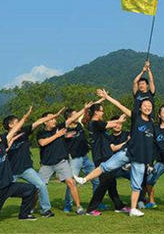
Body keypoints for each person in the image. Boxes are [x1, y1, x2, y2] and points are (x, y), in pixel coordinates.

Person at [74, 89, 155, 217]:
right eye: (145, 105)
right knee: (106, 173)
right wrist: (107, 98)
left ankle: (124, 207)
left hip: (136, 157)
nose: (147, 107)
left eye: (150, 106)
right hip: (120, 153)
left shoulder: (152, 123)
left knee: (123, 183)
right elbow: (119, 108)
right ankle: (85, 184)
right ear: (139, 108)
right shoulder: (97, 123)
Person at [3, 106, 65, 218]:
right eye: (17, 122)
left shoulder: (24, 132)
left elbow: (37, 122)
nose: (20, 124)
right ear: (10, 125)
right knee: (3, 192)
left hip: (26, 168)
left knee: (41, 185)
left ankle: (45, 210)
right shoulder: (4, 138)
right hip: (11, 171)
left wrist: (53, 116)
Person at [82, 104, 129, 216]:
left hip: (106, 156)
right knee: (104, 183)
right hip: (101, 157)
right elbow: (111, 124)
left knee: (111, 182)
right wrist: (120, 120)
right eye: (101, 111)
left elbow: (109, 124)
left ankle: (119, 206)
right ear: (96, 112)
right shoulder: (95, 123)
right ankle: (91, 209)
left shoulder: (97, 124)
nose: (103, 113)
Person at [37, 111, 84, 215]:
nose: (54, 120)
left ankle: (79, 207)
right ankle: (31, 207)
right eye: (51, 119)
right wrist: (57, 135)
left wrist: (84, 109)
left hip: (61, 162)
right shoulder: (41, 133)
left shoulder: (59, 127)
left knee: (71, 182)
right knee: (38, 186)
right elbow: (42, 143)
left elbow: (72, 118)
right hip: (46, 164)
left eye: (55, 118)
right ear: (45, 122)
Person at [62, 104, 101, 213]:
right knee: (72, 182)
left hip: (85, 157)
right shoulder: (64, 129)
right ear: (69, 117)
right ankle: (68, 205)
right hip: (74, 159)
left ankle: (96, 203)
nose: (76, 116)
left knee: (96, 180)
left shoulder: (79, 125)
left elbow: (85, 114)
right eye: (74, 115)